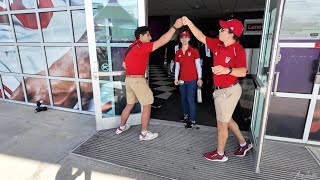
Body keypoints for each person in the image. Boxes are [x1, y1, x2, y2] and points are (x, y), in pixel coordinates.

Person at [182, 16, 252, 162]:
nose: (219, 31)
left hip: (229, 90)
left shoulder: (237, 50)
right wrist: (189, 22)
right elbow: (201, 36)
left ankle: (220, 154)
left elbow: (243, 71)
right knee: (228, 120)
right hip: (219, 90)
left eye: (223, 29)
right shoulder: (217, 44)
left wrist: (227, 70)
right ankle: (244, 144)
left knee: (222, 123)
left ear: (232, 34)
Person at [115, 19, 183, 141]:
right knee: (147, 105)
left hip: (129, 80)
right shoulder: (142, 47)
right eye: (148, 35)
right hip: (137, 81)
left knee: (129, 105)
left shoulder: (130, 47)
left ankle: (121, 127)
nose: (150, 38)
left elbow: (124, 65)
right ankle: (144, 134)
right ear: (140, 36)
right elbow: (162, 41)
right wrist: (174, 27)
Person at [174, 31, 202, 128]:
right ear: (180, 39)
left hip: (192, 80)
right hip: (182, 80)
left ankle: (192, 120)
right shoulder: (178, 52)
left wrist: (199, 78)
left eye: (186, 37)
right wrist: (175, 78)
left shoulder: (194, 51)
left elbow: (198, 66)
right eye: (182, 37)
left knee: (190, 99)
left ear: (189, 39)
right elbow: (177, 67)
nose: (184, 39)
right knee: (183, 99)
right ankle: (185, 115)